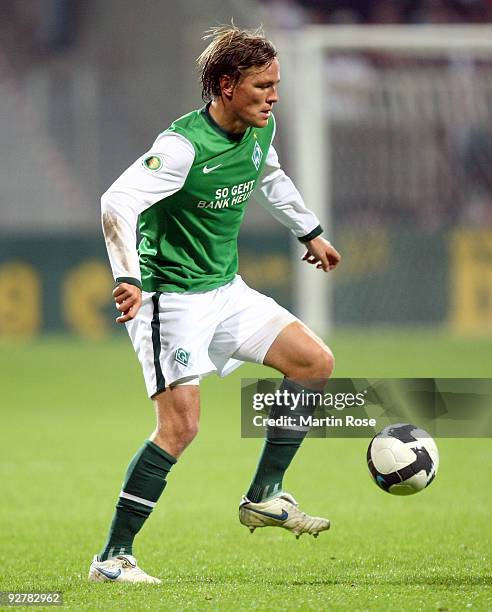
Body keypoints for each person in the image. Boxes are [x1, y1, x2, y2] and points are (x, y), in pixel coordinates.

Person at [89, 25, 341, 584]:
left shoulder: (259, 128)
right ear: (226, 86)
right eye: (262, 85)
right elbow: (117, 200)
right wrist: (127, 276)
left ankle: (265, 495)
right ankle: (112, 559)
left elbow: (269, 176)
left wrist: (310, 233)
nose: (274, 96)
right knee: (180, 430)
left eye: (276, 84)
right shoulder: (181, 148)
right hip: (171, 300)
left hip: (225, 290)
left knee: (313, 363)